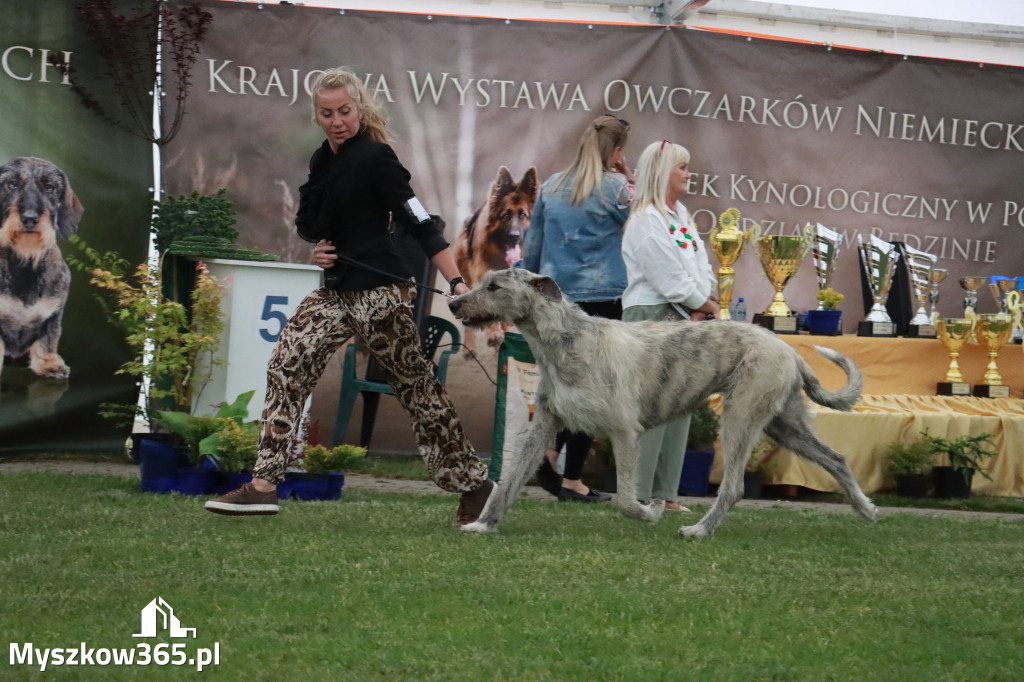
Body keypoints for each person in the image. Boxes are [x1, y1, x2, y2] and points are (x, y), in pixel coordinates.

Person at [205, 67, 493, 524]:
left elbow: (421, 223)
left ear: (359, 108)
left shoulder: (378, 158)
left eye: (345, 110)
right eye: (327, 113)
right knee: (286, 365)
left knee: (417, 392)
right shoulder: (324, 160)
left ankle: (475, 486)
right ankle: (263, 485)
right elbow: (312, 221)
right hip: (335, 291)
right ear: (316, 116)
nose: (337, 120)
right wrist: (317, 249)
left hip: (379, 294)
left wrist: (457, 283)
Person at [518, 114, 635, 502]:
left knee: (562, 384)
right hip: (603, 298)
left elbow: (532, 248)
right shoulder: (618, 189)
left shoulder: (551, 186)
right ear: (616, 151)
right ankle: (570, 477)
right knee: (594, 388)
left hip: (555, 299)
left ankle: (550, 457)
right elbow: (646, 226)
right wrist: (629, 177)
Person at [620, 140, 718, 512]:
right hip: (653, 315)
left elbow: (699, 263)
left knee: (681, 405)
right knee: (653, 406)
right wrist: (703, 305)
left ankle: (668, 494)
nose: (689, 174)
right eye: (682, 167)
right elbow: (667, 276)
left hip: (686, 314)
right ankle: (639, 492)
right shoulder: (646, 218)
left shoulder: (680, 214)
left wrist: (706, 301)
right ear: (663, 172)